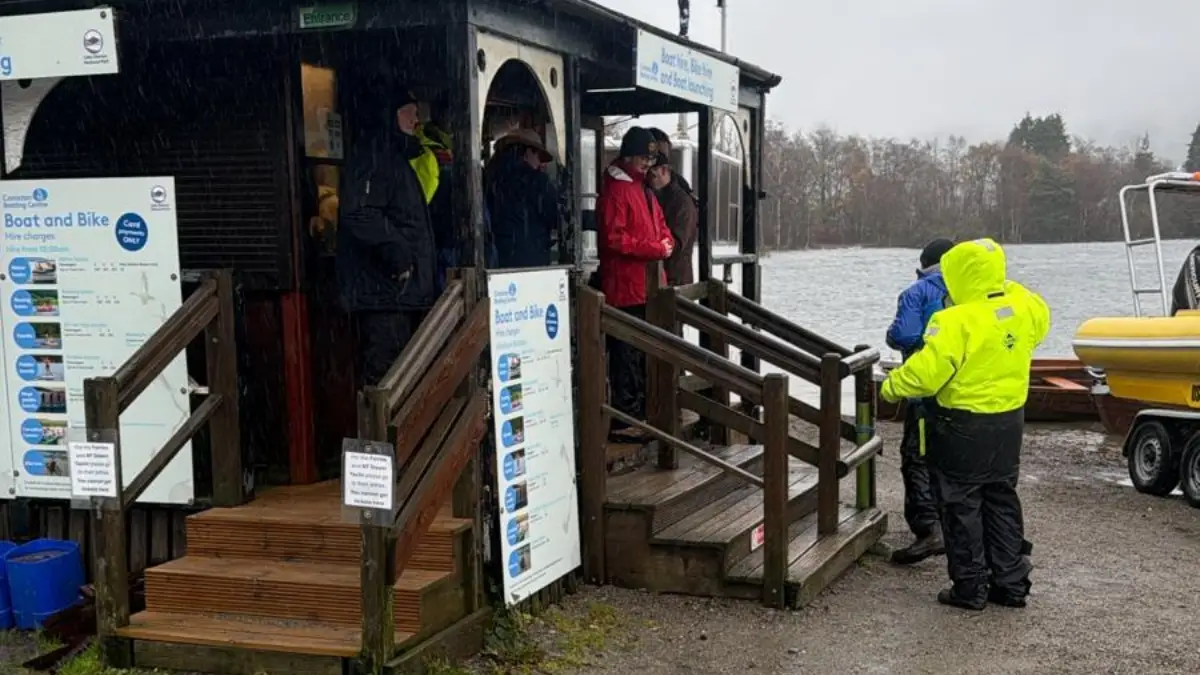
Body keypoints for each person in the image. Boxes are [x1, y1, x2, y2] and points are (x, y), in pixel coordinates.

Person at [880, 238, 1050, 610]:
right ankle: (1011, 583)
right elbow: (1036, 313)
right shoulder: (1023, 308)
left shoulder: (953, 321)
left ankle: (970, 588)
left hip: (961, 426)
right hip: (1009, 423)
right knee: (1001, 500)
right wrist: (1002, 286)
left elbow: (926, 376)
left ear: (957, 275)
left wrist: (891, 386)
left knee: (961, 506)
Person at [337, 87, 437, 387]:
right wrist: (400, 258)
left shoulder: (391, 157)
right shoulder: (376, 156)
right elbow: (360, 213)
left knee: (397, 380)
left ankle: (392, 434)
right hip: (385, 294)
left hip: (395, 295)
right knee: (386, 380)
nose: (417, 119)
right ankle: (381, 435)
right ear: (392, 114)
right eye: (411, 111)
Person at [596, 126, 674, 437]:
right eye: (644, 157)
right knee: (626, 357)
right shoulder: (616, 190)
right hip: (625, 288)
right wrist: (656, 249)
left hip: (647, 288)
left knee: (641, 356)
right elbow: (613, 239)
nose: (647, 163)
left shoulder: (644, 190)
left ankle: (639, 414)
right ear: (629, 156)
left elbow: (662, 227)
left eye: (650, 158)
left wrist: (665, 243)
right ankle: (626, 419)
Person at [884, 238, 953, 565]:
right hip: (964, 389)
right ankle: (952, 524)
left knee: (917, 455)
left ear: (923, 263)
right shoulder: (969, 291)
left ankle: (928, 527)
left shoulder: (917, 292)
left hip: (924, 389)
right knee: (952, 459)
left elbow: (904, 335)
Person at [484, 128, 559, 268]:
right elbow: (559, 217)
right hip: (531, 264)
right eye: (538, 156)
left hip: (496, 263)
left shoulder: (489, 181)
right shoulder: (537, 183)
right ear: (527, 153)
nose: (541, 164)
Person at [647, 152, 698, 287]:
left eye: (652, 174)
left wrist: (649, 246)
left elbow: (677, 244)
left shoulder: (682, 202)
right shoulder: (655, 196)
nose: (649, 179)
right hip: (662, 277)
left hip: (675, 279)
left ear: (664, 170)